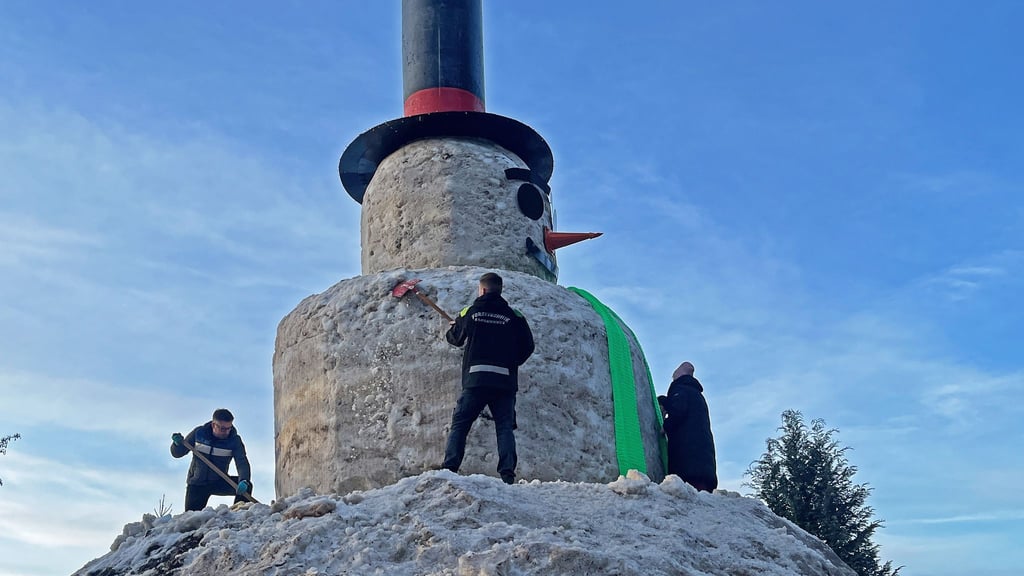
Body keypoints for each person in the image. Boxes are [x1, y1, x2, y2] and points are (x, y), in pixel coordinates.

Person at [442, 272, 535, 484]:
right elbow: (528, 346)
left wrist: (454, 327)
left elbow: (455, 339)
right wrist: (512, 363)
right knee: (504, 426)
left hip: (476, 379)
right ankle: (507, 473)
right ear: (499, 290)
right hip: (504, 381)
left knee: (461, 424)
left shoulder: (470, 312)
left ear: (482, 290)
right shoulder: (515, 316)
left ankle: (450, 468)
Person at [170, 408, 253, 511]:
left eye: (229, 428)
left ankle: (239, 515)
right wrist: (177, 445)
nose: (226, 432)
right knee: (191, 519)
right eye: (223, 428)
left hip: (218, 481)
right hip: (197, 483)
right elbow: (178, 453)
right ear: (214, 425)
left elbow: (242, 462)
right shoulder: (199, 434)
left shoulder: (234, 441)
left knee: (247, 486)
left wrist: (244, 480)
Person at [659, 361, 718, 492]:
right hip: (704, 466)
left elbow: (678, 412)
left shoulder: (681, 389)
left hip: (688, 465)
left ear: (678, 376)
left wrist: (665, 426)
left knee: (687, 497)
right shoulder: (697, 395)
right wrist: (666, 401)